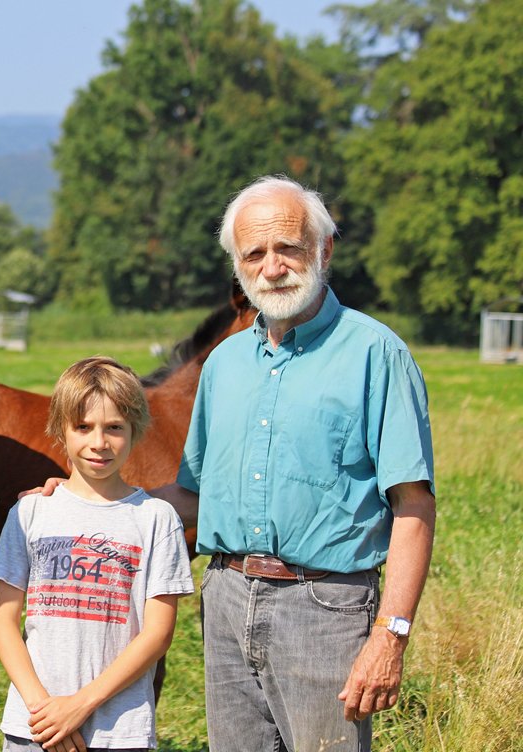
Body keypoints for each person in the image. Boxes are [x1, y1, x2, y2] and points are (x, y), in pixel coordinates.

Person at [165, 175, 436, 751]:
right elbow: (193, 494)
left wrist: (391, 635)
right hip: (226, 598)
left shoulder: (376, 353)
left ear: (324, 249)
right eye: (254, 254)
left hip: (326, 608)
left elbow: (413, 507)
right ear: (237, 265)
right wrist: (85, 499)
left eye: (288, 247)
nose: (272, 267)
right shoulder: (223, 365)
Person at [0, 357, 194, 752]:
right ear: (59, 429)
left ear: (135, 430)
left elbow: (158, 633)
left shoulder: (156, 519)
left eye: (114, 427)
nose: (99, 442)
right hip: (33, 727)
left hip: (119, 731)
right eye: (83, 427)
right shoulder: (31, 512)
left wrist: (79, 706)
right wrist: (43, 709)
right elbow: (2, 621)